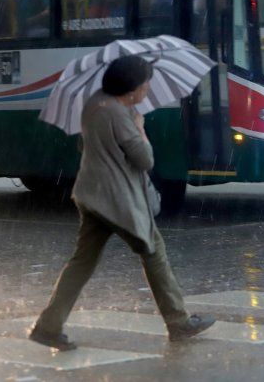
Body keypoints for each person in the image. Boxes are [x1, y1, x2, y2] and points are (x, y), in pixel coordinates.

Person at [29, 55, 215, 351]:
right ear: (131, 90)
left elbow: (86, 145)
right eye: (145, 85)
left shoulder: (94, 104)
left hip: (92, 195)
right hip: (118, 201)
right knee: (154, 252)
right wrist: (139, 127)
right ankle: (178, 322)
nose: (147, 90)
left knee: (81, 263)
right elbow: (144, 159)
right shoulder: (119, 114)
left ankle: (48, 326)